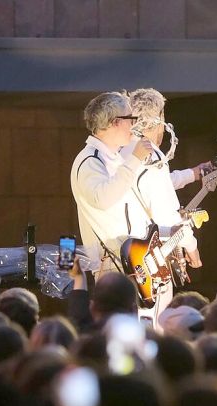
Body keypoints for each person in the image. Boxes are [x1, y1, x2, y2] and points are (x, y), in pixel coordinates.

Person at [128, 88, 215, 323]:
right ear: (159, 119)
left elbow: (157, 184)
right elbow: (168, 216)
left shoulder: (124, 151)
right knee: (153, 325)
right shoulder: (151, 154)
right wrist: (191, 246)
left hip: (126, 254)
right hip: (149, 259)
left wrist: (194, 173)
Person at [70, 91, 152, 278]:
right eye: (130, 119)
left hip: (130, 260)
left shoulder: (112, 158)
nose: (134, 124)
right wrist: (135, 159)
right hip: (112, 265)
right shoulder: (90, 160)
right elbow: (103, 199)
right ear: (115, 122)